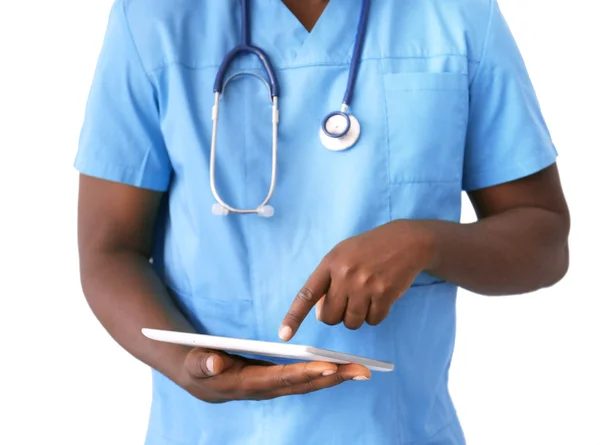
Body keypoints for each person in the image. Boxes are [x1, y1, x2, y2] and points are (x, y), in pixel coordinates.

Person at [75, 0, 570, 443]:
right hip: (209, 433)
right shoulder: (153, 17)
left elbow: (543, 236)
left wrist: (425, 241)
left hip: (399, 432)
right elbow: (109, 249)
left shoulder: (456, 13)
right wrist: (184, 366)